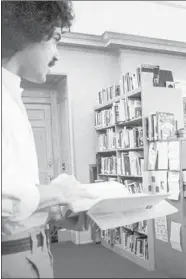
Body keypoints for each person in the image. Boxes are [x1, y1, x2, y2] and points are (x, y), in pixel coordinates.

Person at [2, 2, 97, 278]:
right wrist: (59, 192)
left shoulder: (10, 96)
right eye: (54, 40)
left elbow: (13, 197)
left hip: (32, 253)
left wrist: (56, 213)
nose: (56, 55)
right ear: (28, 31)